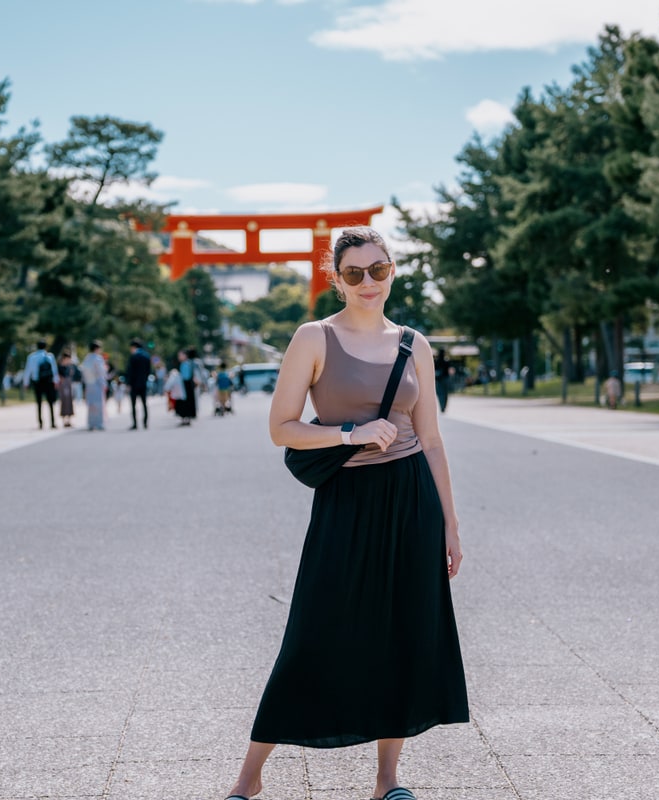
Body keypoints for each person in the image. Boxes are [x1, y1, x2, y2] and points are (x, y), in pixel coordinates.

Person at [220, 227, 469, 800]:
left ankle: (388, 781)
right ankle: (249, 777)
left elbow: (431, 439)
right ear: (337, 278)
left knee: (403, 631)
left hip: (412, 499)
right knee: (313, 631)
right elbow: (280, 427)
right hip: (347, 499)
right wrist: (349, 432)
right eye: (354, 273)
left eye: (378, 270)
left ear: (393, 271)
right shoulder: (314, 337)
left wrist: (451, 524)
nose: (368, 282)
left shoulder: (415, 344)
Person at [22, 340, 58, 430]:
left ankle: (40, 422)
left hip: (37, 382)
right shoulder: (50, 356)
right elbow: (54, 370)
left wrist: (25, 383)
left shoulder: (32, 357)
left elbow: (28, 370)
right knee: (50, 402)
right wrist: (56, 381)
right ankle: (52, 422)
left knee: (39, 403)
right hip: (48, 382)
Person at [80, 341, 107, 431]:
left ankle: (91, 423)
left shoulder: (86, 358)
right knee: (98, 404)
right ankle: (99, 423)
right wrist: (104, 383)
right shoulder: (98, 358)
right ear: (97, 349)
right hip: (97, 383)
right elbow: (101, 372)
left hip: (88, 383)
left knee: (91, 404)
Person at [126, 339, 152, 430]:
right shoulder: (146, 356)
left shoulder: (133, 357)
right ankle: (145, 422)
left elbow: (130, 372)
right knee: (144, 403)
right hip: (143, 383)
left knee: (133, 404)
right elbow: (149, 370)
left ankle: (135, 423)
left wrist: (128, 383)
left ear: (134, 347)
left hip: (134, 384)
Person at [175, 349, 197, 426]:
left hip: (185, 385)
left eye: (180, 355)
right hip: (188, 385)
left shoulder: (185, 364)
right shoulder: (189, 363)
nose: (179, 357)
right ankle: (186, 418)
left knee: (185, 402)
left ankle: (186, 418)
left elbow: (185, 377)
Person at [57, 352, 79, 428]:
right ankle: (64, 420)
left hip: (69, 385)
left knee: (70, 402)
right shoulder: (60, 367)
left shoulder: (70, 367)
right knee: (64, 402)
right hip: (63, 385)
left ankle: (69, 420)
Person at [433, 347, 453, 412]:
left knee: (440, 394)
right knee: (445, 394)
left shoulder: (436, 361)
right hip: (445, 379)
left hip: (439, 379)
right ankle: (443, 406)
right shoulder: (446, 361)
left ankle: (442, 406)